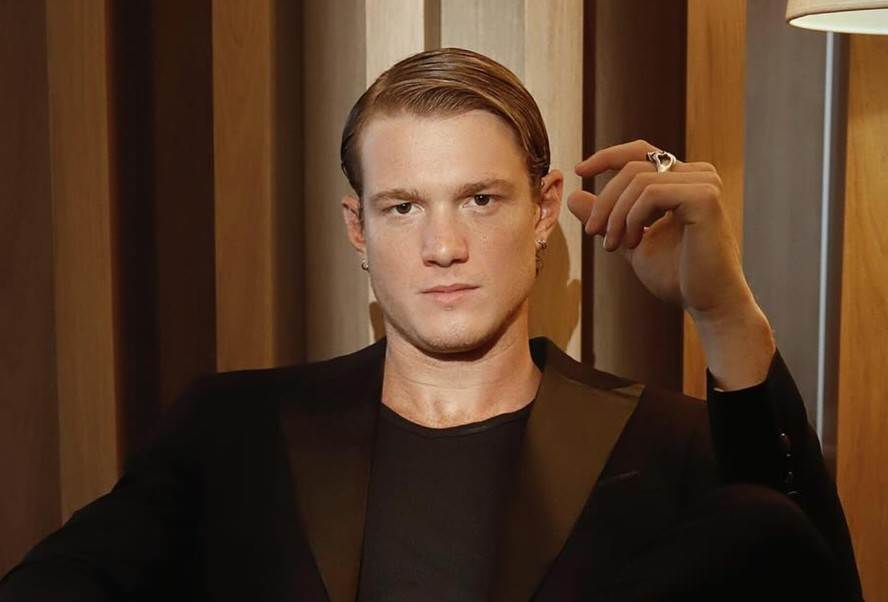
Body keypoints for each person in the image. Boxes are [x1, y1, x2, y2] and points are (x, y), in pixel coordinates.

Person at [0, 48, 861, 601]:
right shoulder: (231, 431)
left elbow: (806, 576)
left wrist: (721, 310)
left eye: (480, 200)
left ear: (544, 208)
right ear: (358, 229)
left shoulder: (668, 444)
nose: (443, 246)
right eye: (403, 206)